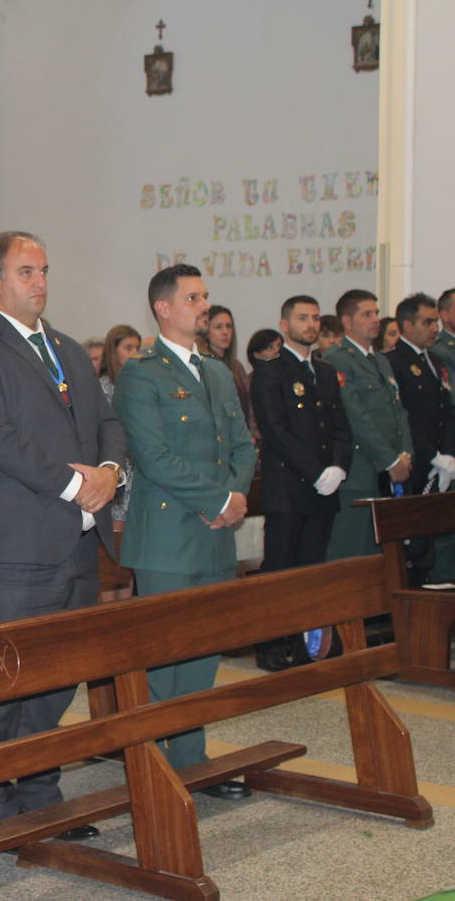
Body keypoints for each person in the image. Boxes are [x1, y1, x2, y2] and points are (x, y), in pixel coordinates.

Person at [0, 231, 125, 834]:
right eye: (26, 272)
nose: (39, 282)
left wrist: (109, 472)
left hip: (74, 541)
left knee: (58, 677)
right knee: (3, 680)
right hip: (8, 546)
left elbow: (107, 421)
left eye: (43, 270)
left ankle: (41, 792)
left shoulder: (65, 347)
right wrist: (77, 485)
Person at [113, 263, 255, 793]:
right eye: (193, 298)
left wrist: (233, 500)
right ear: (164, 308)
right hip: (168, 537)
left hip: (215, 533)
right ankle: (152, 766)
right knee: (162, 657)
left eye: (205, 296)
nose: (204, 306)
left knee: (202, 652)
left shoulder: (215, 371)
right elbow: (153, 457)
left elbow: (241, 445)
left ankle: (191, 762)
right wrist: (219, 500)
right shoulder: (142, 373)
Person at [249, 295, 352, 671]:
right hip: (288, 489)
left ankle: (306, 642)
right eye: (302, 318)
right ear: (284, 325)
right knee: (281, 568)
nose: (310, 325)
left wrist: (339, 466)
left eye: (315, 318)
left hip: (324, 489)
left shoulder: (323, 371)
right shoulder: (270, 371)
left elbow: (340, 426)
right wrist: (315, 471)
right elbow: (275, 430)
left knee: (312, 569)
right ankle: (272, 644)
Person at [322, 289, 414, 560]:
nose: (375, 319)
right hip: (361, 470)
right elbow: (356, 416)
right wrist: (389, 460)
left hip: (390, 469)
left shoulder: (380, 360)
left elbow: (398, 411)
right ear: (347, 322)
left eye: (376, 313)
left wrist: (405, 454)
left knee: (386, 554)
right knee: (354, 551)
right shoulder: (338, 359)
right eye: (366, 314)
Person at [386, 293, 455, 492]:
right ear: (408, 325)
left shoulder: (435, 361)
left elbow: (447, 408)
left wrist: (447, 454)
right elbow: (401, 417)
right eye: (427, 323)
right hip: (414, 460)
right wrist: (433, 456)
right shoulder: (392, 362)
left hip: (444, 462)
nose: (435, 328)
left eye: (435, 322)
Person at [99, 324, 141, 532]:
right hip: (117, 464)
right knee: (119, 529)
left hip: (138, 464)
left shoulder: (139, 384)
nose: (135, 353)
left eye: (137, 348)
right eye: (128, 347)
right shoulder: (104, 386)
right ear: (113, 351)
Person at [202, 305, 254, 437]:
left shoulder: (236, 366)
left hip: (243, 437)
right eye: (218, 327)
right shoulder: (202, 365)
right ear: (206, 332)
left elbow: (250, 404)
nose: (225, 332)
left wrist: (251, 435)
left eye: (229, 326)